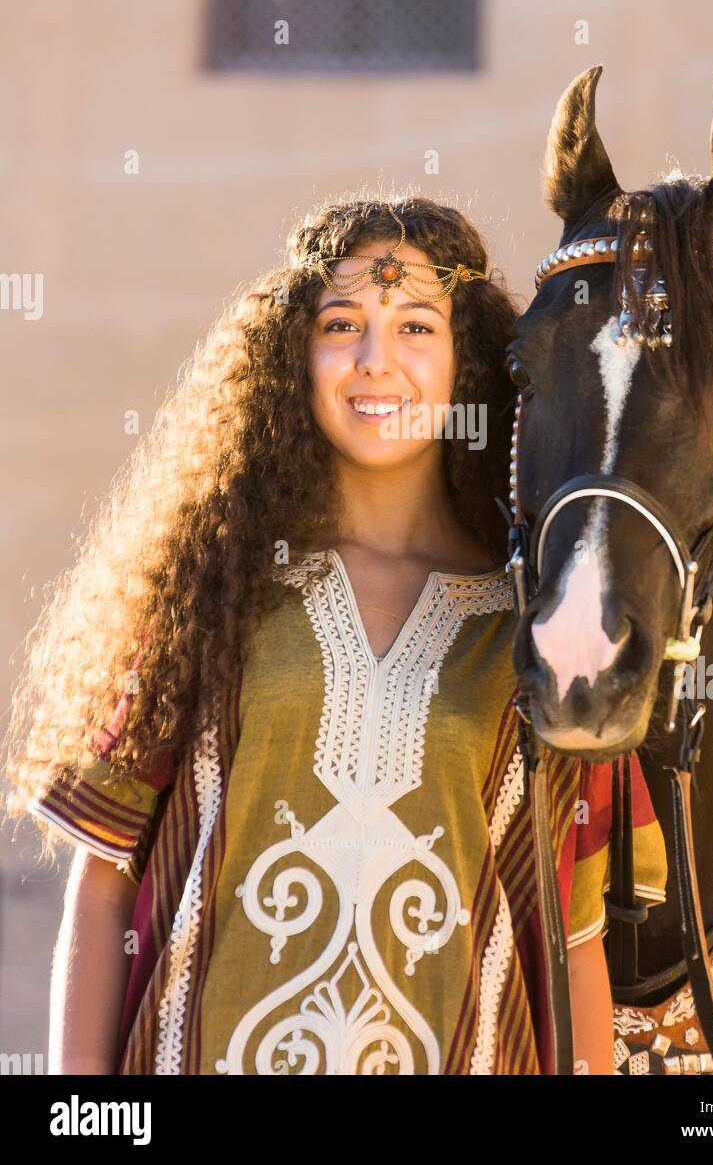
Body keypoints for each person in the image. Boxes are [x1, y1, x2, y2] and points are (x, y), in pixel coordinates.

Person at [3, 195, 667, 1075]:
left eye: (416, 328)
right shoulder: (214, 587)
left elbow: (575, 934)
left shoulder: (542, 625)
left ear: (468, 358)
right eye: (342, 323)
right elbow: (103, 884)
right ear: (294, 356)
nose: (374, 361)